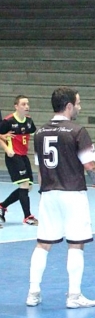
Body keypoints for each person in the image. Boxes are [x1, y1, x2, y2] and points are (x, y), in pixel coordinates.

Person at [26, 87, 95, 309]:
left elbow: (40, 169)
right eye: (78, 103)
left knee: (42, 244)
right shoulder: (76, 131)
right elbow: (90, 165)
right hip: (73, 193)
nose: (80, 107)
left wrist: (44, 191)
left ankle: (33, 292)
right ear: (68, 106)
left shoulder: (39, 132)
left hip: (48, 194)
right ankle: (74, 296)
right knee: (76, 244)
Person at [0, 95, 38, 226]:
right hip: (13, 156)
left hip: (23, 156)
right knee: (24, 185)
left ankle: (2, 205)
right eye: (23, 104)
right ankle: (28, 217)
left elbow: (34, 134)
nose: (27, 106)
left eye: (27, 104)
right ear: (16, 106)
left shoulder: (28, 121)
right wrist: (6, 148)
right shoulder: (8, 121)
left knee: (29, 187)